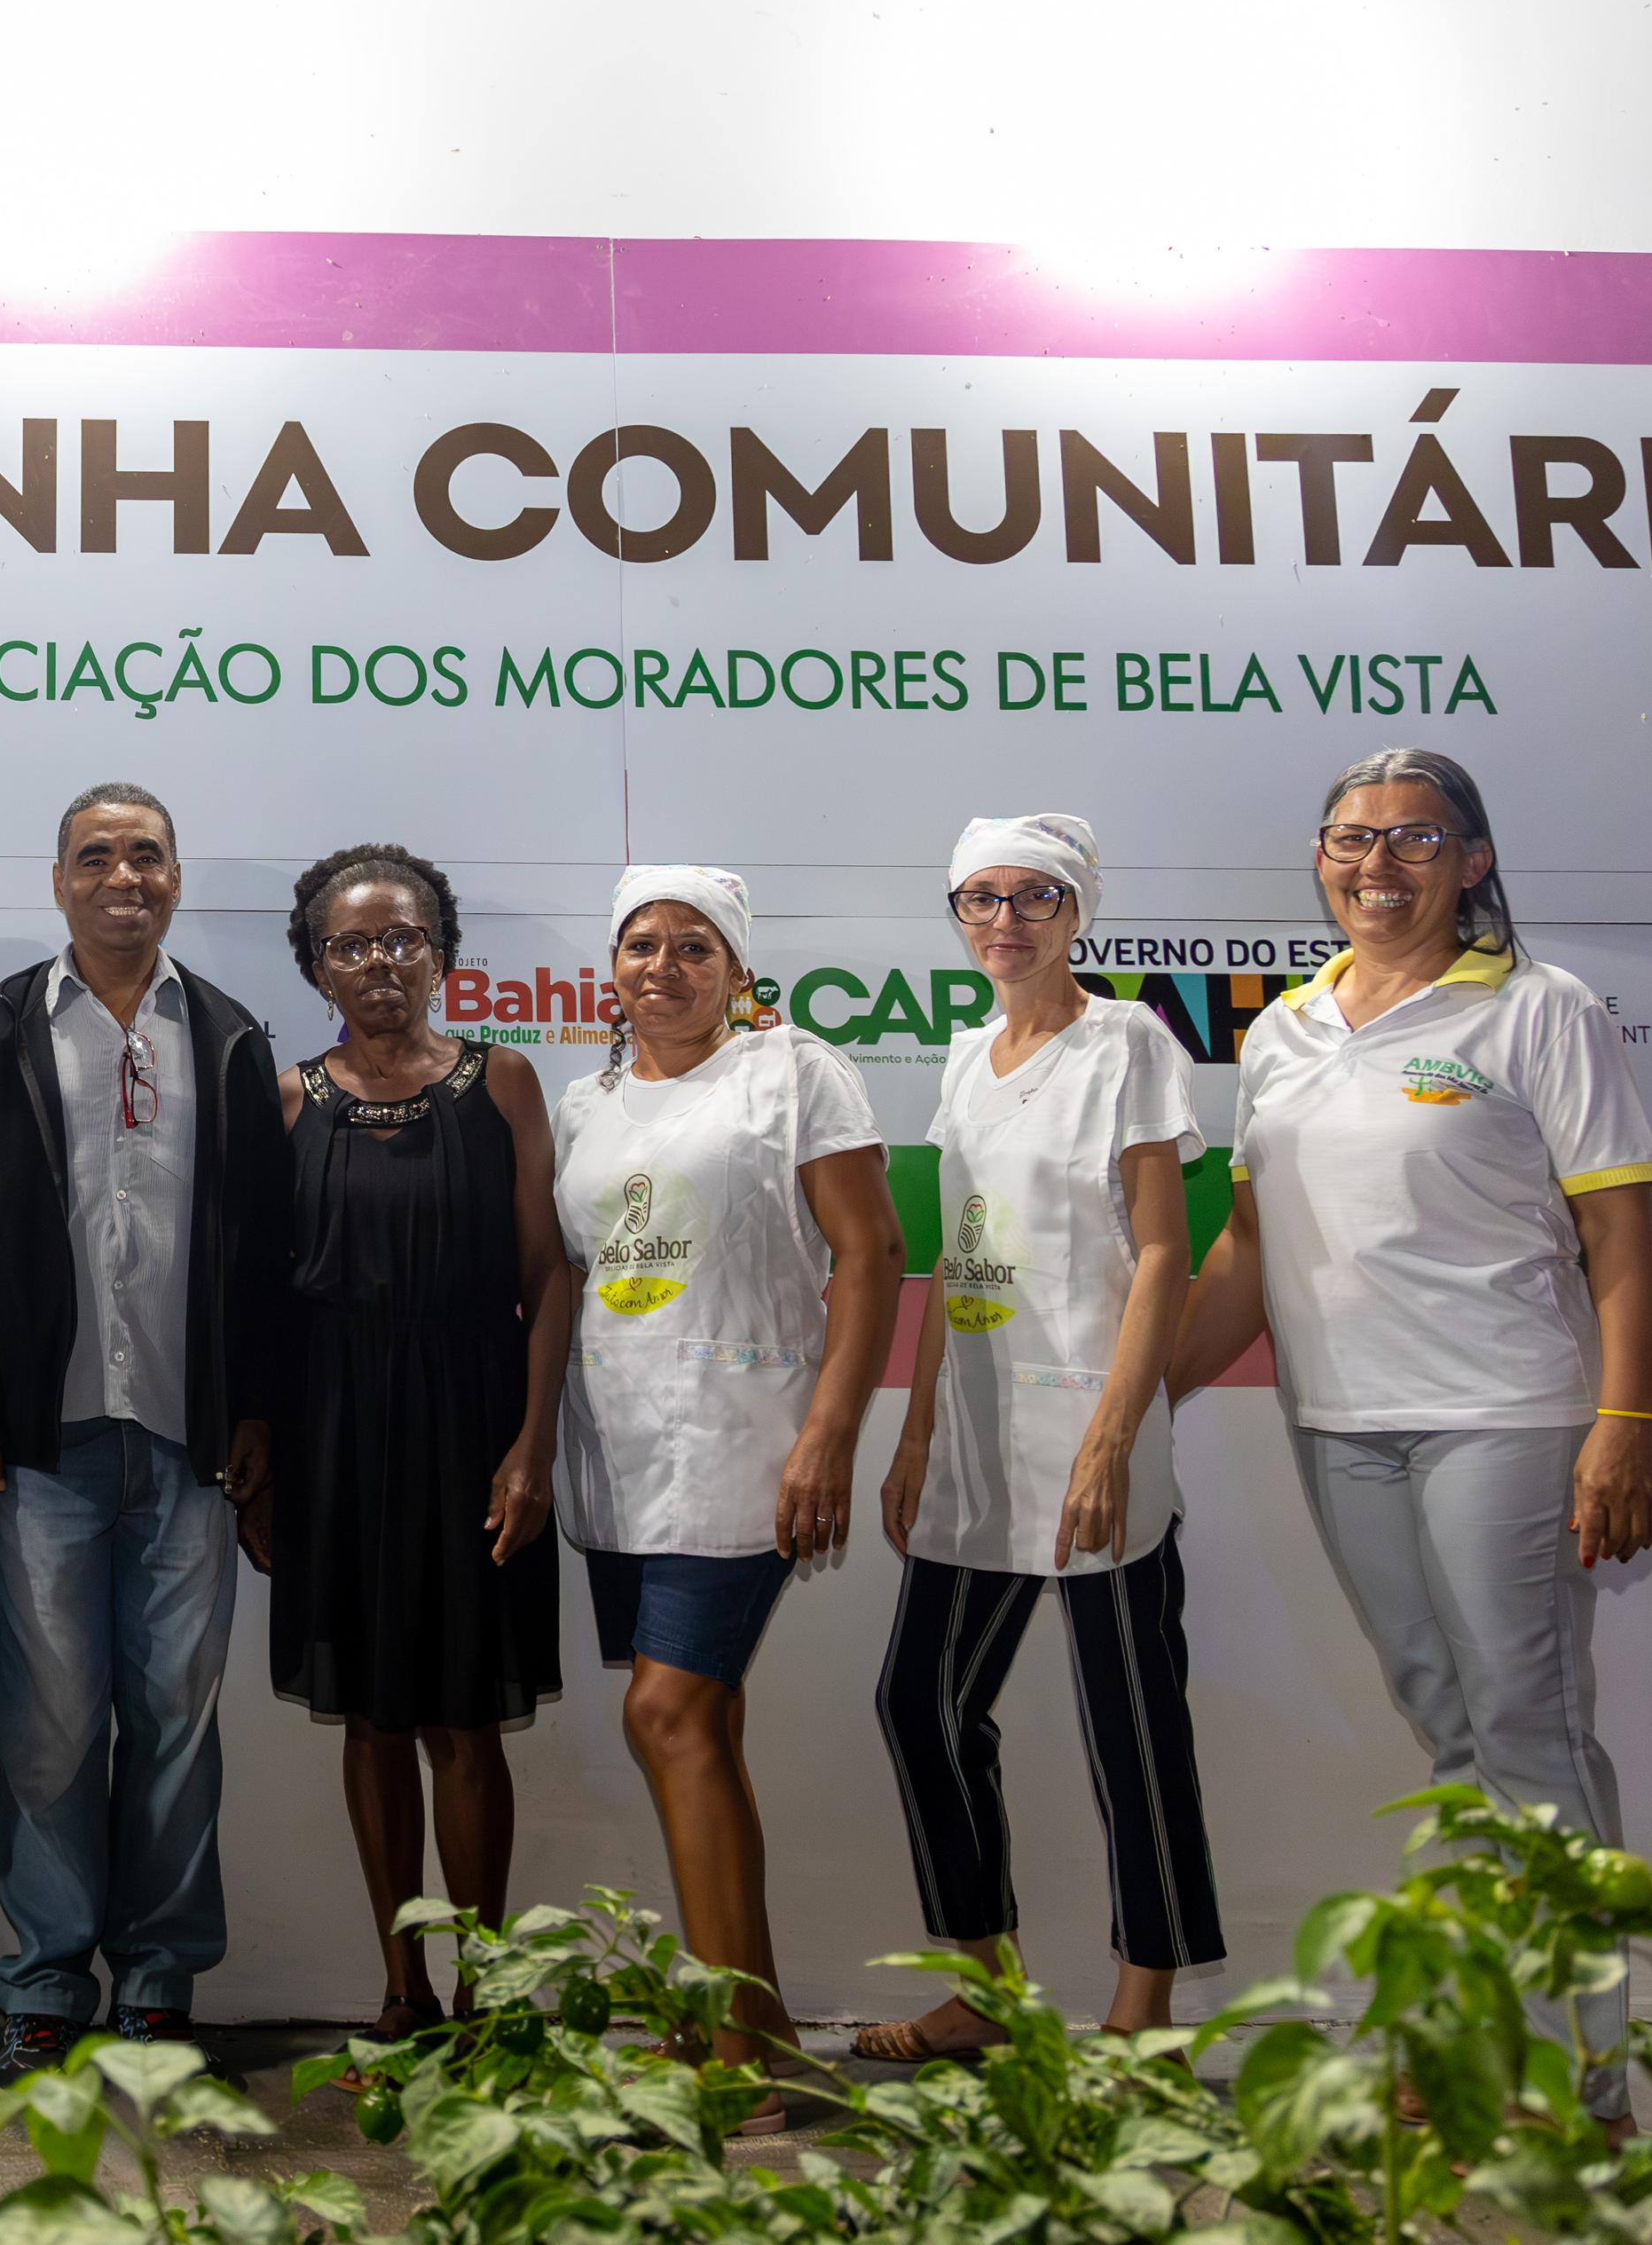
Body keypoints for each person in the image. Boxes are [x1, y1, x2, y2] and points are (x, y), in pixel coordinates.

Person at [1174, 748, 1652, 2138]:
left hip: (1505, 1413)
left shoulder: (1540, 1008)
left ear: (1474, 861)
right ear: (1320, 859)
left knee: (1529, 1731)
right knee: (1451, 1733)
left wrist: (1627, 1425)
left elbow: (1623, 1236)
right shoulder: (1283, 1028)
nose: (1377, 865)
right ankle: (1473, 2051)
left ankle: (1583, 2081)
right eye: (1352, 839)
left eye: (1414, 839)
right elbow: (1247, 1248)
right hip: (1342, 1419)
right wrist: (1128, 1396)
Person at [0, 781, 295, 2083]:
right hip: (46, 1441)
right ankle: (43, 1983)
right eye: (94, 855)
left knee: (176, 1721)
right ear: (58, 882)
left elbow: (262, 1250)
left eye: (145, 853)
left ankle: (156, 1981)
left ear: (176, 878)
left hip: (192, 1439)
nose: (122, 875)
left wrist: (256, 1411)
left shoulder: (230, 1032)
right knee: (47, 1726)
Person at [859, 816, 1223, 2064]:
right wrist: (915, 1429)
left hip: (1090, 1428)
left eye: (1033, 895)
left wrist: (1114, 1435)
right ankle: (987, 1985)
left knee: (1132, 1727)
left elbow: (1164, 1249)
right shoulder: (966, 1054)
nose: (1004, 919)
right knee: (921, 1702)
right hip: (976, 1432)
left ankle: (1141, 2011)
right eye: (981, 896)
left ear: (1077, 911)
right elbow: (958, 1254)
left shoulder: (1127, 1042)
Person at [550, 864, 897, 2124]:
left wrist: (829, 1435)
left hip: (747, 1439)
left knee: (667, 1713)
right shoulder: (586, 1103)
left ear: (736, 969)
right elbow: (576, 1274)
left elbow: (872, 1250)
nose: (663, 965)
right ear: (611, 966)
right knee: (703, 1726)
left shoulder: (794, 1071)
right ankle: (748, 2021)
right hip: (621, 1449)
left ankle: (736, 2062)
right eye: (640, 943)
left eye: (693, 945)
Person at [266, 846, 565, 2042]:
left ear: (442, 954)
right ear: (316, 965)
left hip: (474, 1426)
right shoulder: (287, 1100)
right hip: (335, 1436)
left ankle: (485, 1990)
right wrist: (262, 1457)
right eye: (351, 943)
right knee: (373, 1719)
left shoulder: (504, 1082)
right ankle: (404, 1989)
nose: (379, 962)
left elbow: (548, 1272)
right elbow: (263, 1298)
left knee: (465, 1720)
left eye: (403, 938)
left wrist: (533, 1443)